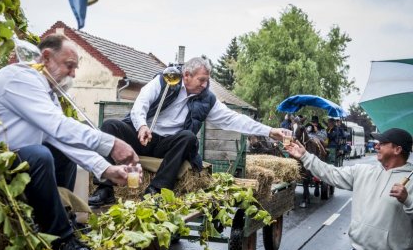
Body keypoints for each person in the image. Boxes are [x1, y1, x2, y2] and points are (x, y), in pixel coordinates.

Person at [0, 34, 139, 250]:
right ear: (46, 57)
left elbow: (62, 140)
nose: (73, 74)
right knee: (39, 155)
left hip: (14, 158)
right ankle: (61, 240)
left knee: (59, 154)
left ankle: (64, 218)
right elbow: (59, 126)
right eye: (69, 65)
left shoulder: (46, 91)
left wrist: (105, 169)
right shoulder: (20, 78)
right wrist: (112, 143)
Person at [89, 57, 289, 206]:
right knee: (110, 127)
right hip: (144, 136)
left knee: (188, 137)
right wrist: (141, 126)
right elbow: (141, 103)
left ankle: (155, 191)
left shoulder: (207, 99)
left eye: (206, 81)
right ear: (186, 76)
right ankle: (105, 189)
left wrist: (270, 131)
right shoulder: (165, 81)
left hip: (169, 145)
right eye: (201, 80)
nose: (205, 85)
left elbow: (233, 119)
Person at [285, 128, 413, 250]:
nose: (376, 146)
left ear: (398, 149)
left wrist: (407, 200)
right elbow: (331, 173)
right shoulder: (362, 171)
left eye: (382, 143)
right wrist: (305, 156)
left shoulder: (410, 180)